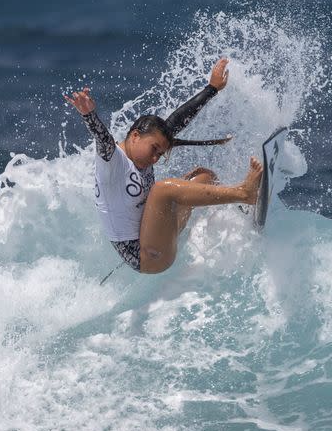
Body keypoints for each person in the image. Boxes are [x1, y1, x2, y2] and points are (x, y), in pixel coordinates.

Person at [64, 58, 262, 274]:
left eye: (161, 153)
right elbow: (101, 137)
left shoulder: (145, 150)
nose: (156, 158)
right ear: (135, 136)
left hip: (162, 232)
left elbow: (177, 120)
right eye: (154, 149)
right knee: (162, 190)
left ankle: (240, 208)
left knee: (203, 177)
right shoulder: (112, 160)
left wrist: (212, 89)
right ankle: (244, 193)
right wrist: (89, 115)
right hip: (148, 257)